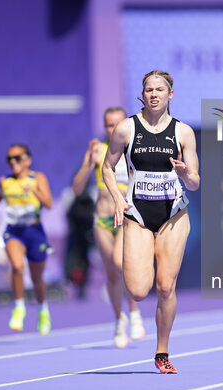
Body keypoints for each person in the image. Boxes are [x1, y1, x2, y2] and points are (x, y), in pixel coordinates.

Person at [102, 70, 200, 373]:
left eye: (160, 89)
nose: (154, 94)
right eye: (148, 90)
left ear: (170, 95)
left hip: (173, 214)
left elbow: (195, 182)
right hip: (138, 214)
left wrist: (185, 173)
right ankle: (136, 313)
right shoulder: (125, 129)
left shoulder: (183, 132)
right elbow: (108, 167)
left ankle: (162, 351)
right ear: (141, 95)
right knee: (138, 290)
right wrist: (118, 199)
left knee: (166, 287)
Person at [73, 107, 146, 348]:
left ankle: (134, 312)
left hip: (126, 217)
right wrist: (87, 163)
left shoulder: (135, 148)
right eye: (108, 124)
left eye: (117, 123)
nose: (112, 128)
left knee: (119, 263)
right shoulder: (98, 150)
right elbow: (76, 189)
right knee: (111, 275)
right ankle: (118, 319)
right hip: (102, 220)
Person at [0, 144, 53, 334]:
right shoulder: (5, 181)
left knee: (37, 279)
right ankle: (19, 307)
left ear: (28, 160)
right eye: (9, 159)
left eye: (17, 158)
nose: (13, 162)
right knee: (17, 267)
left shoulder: (38, 178)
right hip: (14, 232)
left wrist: (34, 190)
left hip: (34, 232)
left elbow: (49, 203)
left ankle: (43, 309)